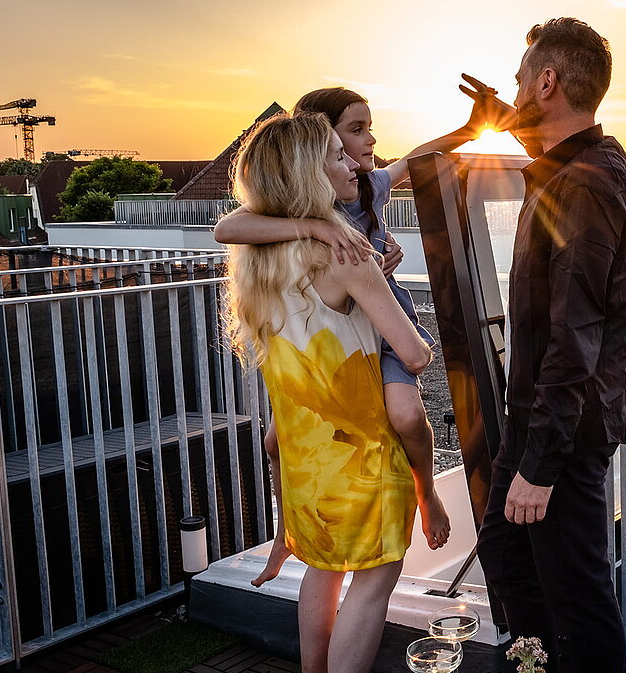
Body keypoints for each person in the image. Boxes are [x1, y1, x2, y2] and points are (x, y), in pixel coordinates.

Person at [215, 80, 512, 586]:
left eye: (368, 128)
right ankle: (285, 534)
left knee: (406, 413)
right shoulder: (302, 205)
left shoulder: (367, 186)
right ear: (318, 145)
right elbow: (227, 229)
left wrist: (469, 129)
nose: (369, 140)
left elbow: (413, 160)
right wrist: (317, 227)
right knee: (274, 441)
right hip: (337, 336)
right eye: (355, 131)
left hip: (381, 318)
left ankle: (426, 490)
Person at [222, 111, 433, 673]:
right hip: (363, 461)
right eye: (338, 156)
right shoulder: (348, 256)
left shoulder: (257, 265)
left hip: (306, 467)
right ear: (312, 175)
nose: (351, 165)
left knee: (322, 570)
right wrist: (385, 289)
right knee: (374, 583)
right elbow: (414, 355)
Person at [476, 17, 626, 673]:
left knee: (578, 592)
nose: (515, 89)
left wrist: (541, 465)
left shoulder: (585, 184)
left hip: (564, 431)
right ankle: (538, 665)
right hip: (541, 419)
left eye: (522, 80)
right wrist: (501, 116)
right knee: (506, 557)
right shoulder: (576, 167)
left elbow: (576, 336)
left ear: (547, 82)